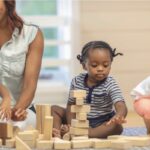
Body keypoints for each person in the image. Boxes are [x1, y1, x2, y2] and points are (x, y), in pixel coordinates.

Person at [52, 41, 128, 138]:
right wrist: (71, 124)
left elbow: (120, 104)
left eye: (105, 65)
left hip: (101, 122)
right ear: (84, 65)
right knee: (54, 109)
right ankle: (57, 133)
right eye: (94, 65)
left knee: (117, 127)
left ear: (110, 64)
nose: (100, 69)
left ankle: (83, 133)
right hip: (79, 119)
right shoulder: (76, 81)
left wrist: (118, 116)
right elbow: (71, 104)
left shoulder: (110, 83)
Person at [0, 0, 44, 129]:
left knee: (20, 126)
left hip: (21, 108)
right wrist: (6, 96)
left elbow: (30, 85)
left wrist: (16, 111)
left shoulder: (31, 34)